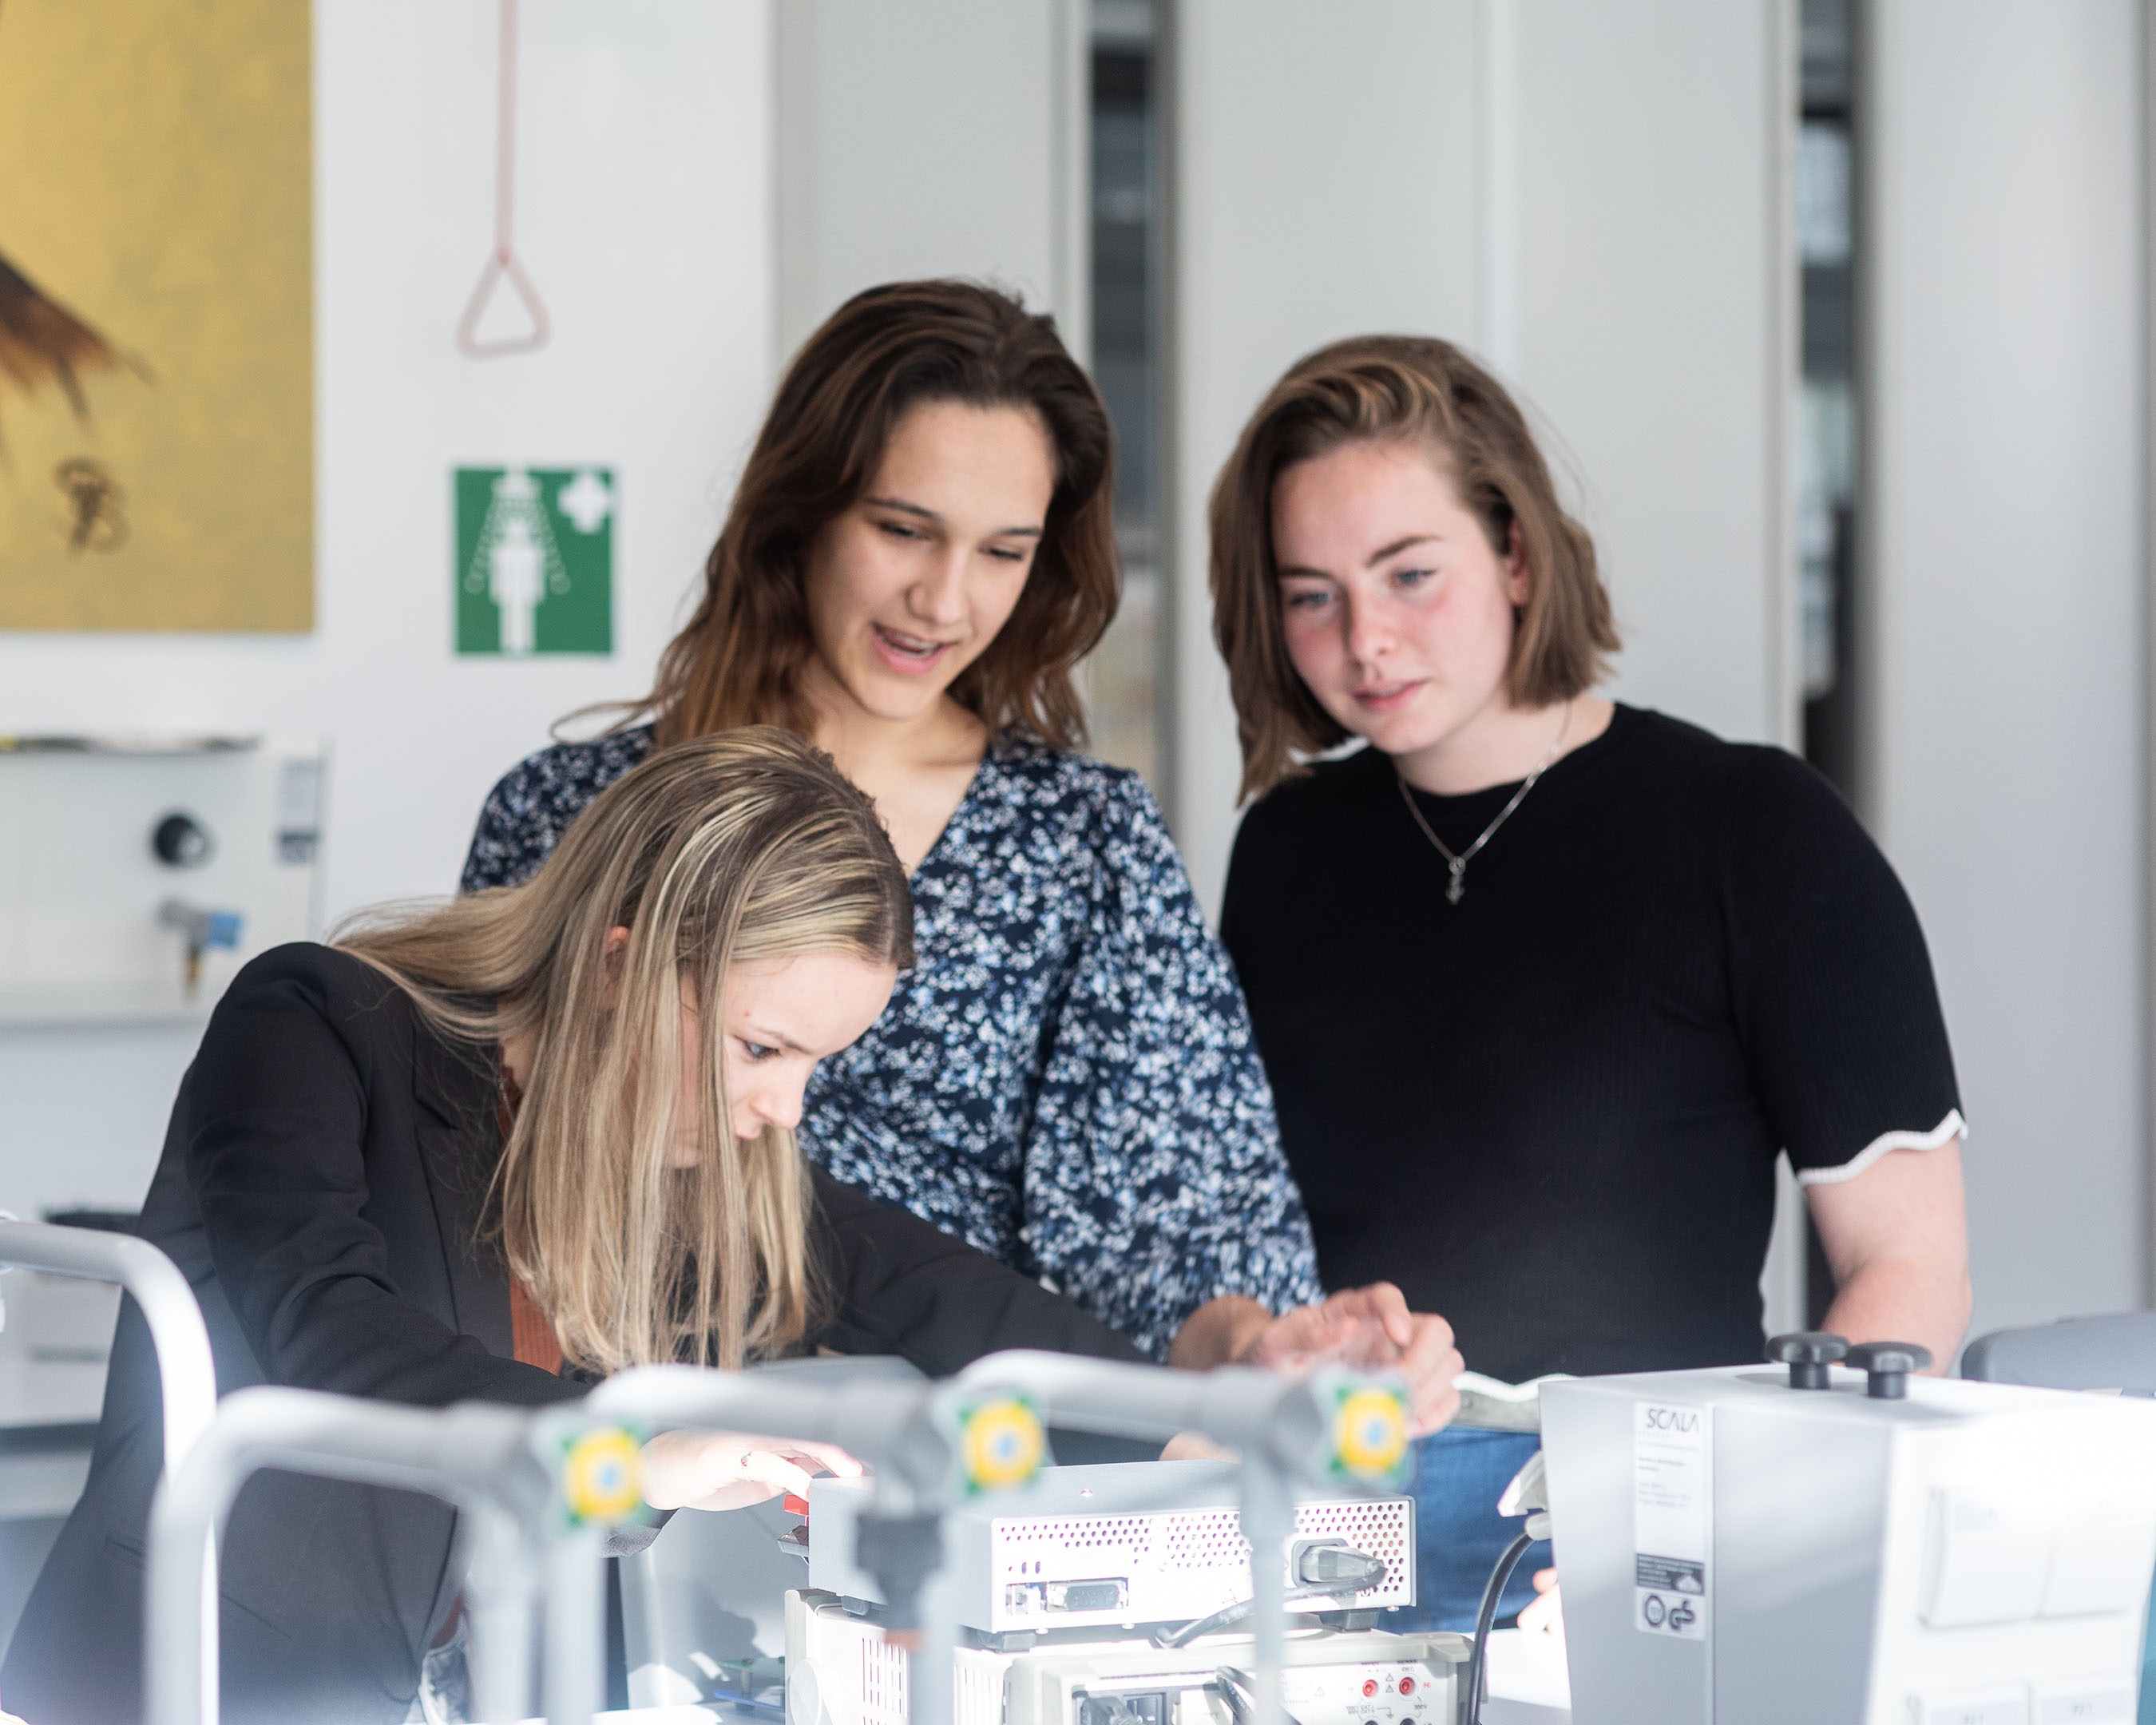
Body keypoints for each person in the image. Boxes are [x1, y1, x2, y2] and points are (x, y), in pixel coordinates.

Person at [4, 731, 1183, 1725]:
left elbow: (927, 1286)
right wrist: (626, 1450)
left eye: (816, 1063)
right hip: (204, 1677)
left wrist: (1172, 1433)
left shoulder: (681, 1155)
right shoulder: (318, 1019)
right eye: (761, 1048)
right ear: (620, 968)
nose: (783, 1109)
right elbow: (330, 1334)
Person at [461, 280, 1461, 1400]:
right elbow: (480, 1189)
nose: (942, 600)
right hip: (626, 1471)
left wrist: (1254, 1349)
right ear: (801, 515)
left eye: (1003, 551)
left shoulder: (1084, 847)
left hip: (968, 1489)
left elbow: (1170, 1252)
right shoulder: (565, 815)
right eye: (903, 530)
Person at [1207, 335, 1971, 1631]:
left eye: (1410, 575)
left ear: (1514, 553)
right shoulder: (1283, 851)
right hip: (1332, 1543)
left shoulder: (1751, 827)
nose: (1367, 640)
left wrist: (1734, 1525)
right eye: (1312, 595)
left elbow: (1912, 1270)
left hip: (1652, 1524)